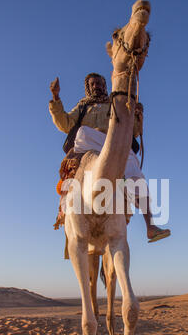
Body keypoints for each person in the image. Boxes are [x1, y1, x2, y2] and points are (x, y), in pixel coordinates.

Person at [49, 73, 171, 243]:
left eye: (99, 83)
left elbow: (133, 131)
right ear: (88, 87)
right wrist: (55, 98)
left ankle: (150, 226)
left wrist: (136, 116)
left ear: (105, 86)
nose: (96, 86)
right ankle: (69, 221)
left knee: (135, 173)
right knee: (82, 134)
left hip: (114, 144)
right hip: (90, 145)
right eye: (92, 84)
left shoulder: (116, 104)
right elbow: (65, 124)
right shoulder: (83, 107)